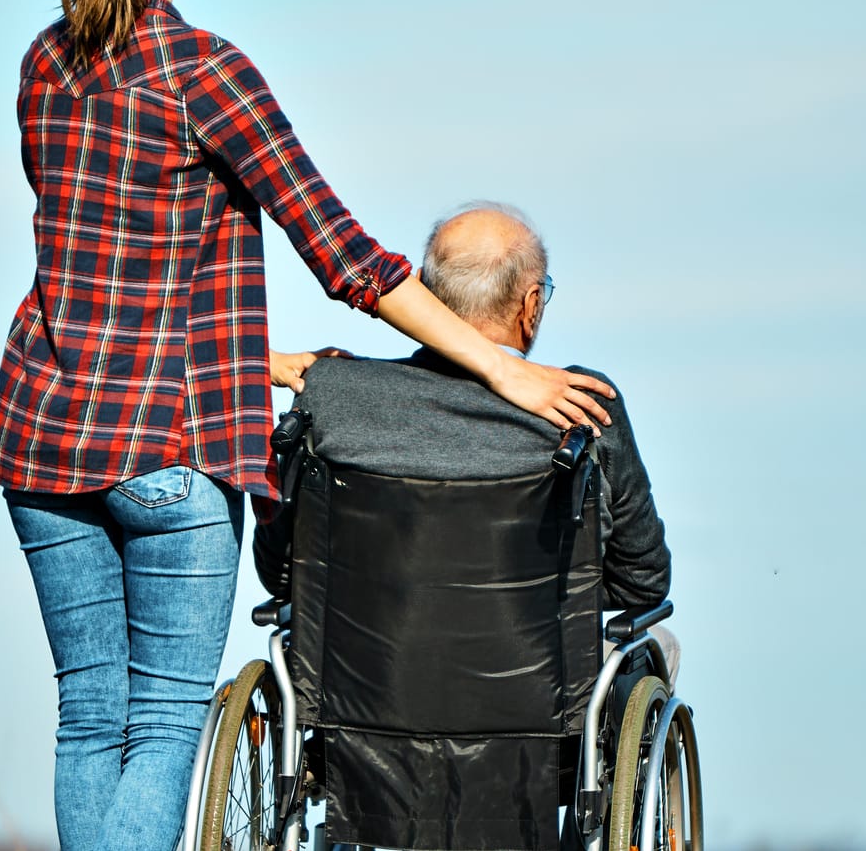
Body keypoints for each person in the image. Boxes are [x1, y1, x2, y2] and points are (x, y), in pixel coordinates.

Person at [0, 0, 613, 851]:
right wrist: (503, 369)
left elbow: (106, 270)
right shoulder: (205, 72)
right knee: (161, 721)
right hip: (169, 444)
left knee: (89, 714)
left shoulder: (43, 67)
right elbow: (349, 260)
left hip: (42, 430)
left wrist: (264, 359)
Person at [255, 201, 676, 679]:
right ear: (531, 305)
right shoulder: (584, 406)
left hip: (360, 688)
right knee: (657, 642)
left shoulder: (331, 392)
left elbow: (282, 572)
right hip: (538, 694)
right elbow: (643, 583)